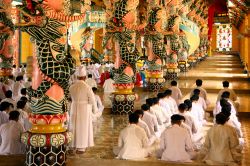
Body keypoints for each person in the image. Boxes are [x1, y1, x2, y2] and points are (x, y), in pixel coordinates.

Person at [69, 65, 98, 154]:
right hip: (84, 108)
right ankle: (81, 147)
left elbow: (69, 98)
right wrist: (95, 110)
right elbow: (92, 100)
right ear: (85, 77)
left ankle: (72, 144)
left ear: (77, 77)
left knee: (74, 126)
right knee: (82, 127)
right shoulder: (87, 87)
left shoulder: (72, 87)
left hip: (74, 107)